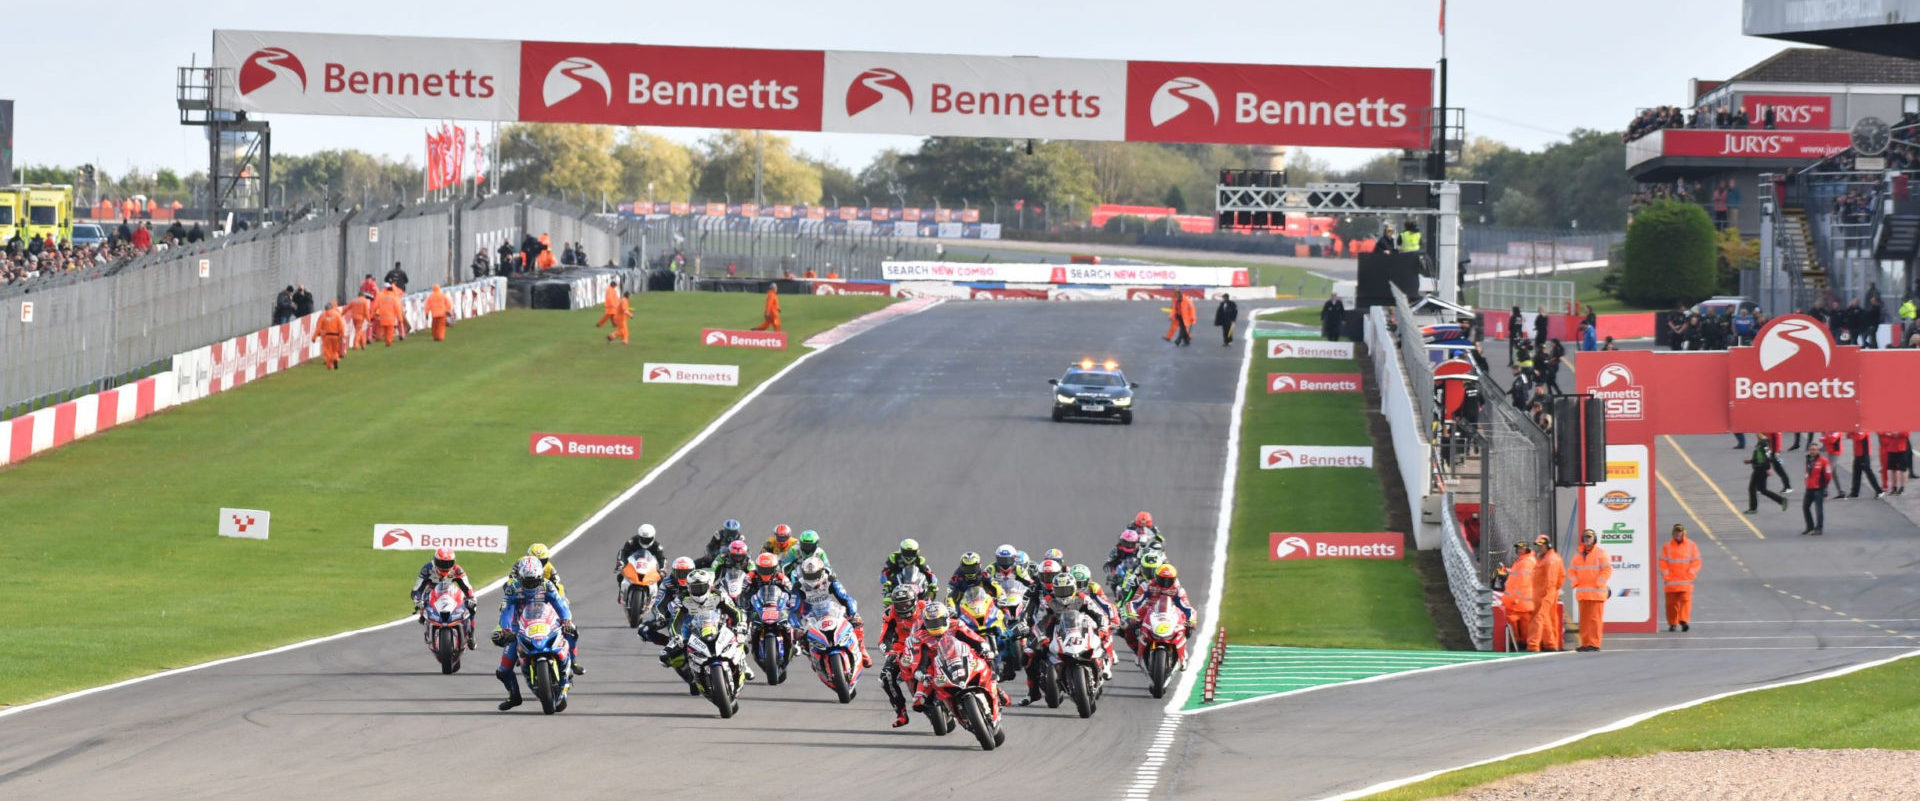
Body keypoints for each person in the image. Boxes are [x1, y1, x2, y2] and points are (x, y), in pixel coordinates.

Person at [491, 558, 575, 711]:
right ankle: (514, 696)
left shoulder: (547, 586)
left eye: (534, 581)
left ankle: (567, 677)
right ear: (520, 578)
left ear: (540, 577)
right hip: (520, 627)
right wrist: (506, 630)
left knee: (570, 635)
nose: (530, 585)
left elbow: (560, 604)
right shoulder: (512, 589)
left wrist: (567, 620)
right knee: (503, 670)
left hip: (547, 623)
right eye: (526, 581)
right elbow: (506, 612)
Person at [905, 600, 1009, 717]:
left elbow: (974, 639)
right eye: (931, 623)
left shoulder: (956, 625)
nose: (936, 625)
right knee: (919, 700)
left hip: (963, 656)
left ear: (946, 618)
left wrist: (984, 649)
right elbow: (919, 660)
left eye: (939, 621)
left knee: (984, 657)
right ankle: (936, 703)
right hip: (938, 665)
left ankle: (995, 686)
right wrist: (921, 673)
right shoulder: (921, 636)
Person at [659, 568, 753, 683]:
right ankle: (691, 674)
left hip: (717, 625)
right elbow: (676, 621)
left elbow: (735, 611)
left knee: (739, 639)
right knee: (668, 657)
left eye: (701, 587)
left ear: (708, 586)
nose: (698, 592)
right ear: (688, 588)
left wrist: (740, 624)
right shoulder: (682, 600)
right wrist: (676, 636)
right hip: (692, 628)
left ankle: (743, 663)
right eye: (695, 588)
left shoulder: (719, 595)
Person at [789, 557, 870, 667]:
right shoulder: (798, 586)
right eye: (808, 576)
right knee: (802, 638)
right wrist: (797, 627)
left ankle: (862, 649)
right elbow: (793, 610)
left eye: (813, 575)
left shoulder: (830, 579)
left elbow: (845, 598)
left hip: (830, 609)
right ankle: (813, 659)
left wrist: (852, 613)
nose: (811, 579)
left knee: (857, 621)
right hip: (811, 615)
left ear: (821, 572)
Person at [1125, 564, 1196, 664]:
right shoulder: (1147, 585)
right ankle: (1138, 650)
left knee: (1188, 628)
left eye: (1168, 580)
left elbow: (1187, 607)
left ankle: (1181, 651)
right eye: (1162, 580)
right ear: (1156, 577)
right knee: (1126, 627)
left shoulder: (1178, 589)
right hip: (1149, 611)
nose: (1165, 583)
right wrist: (1132, 615)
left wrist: (1191, 620)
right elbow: (1134, 602)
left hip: (1171, 613)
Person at [879, 585, 926, 727]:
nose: (903, 607)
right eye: (899, 604)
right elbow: (884, 638)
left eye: (906, 603)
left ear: (914, 601)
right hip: (902, 648)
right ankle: (901, 713)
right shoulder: (890, 613)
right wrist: (889, 652)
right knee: (885, 677)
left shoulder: (925, 608)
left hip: (926, 644)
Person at [411, 548, 477, 645]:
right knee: (423, 604)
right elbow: (417, 588)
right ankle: (426, 624)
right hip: (432, 591)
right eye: (441, 563)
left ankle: (471, 634)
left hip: (450, 591)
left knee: (472, 605)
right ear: (435, 560)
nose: (445, 567)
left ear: (453, 562)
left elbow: (467, 587)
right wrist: (418, 600)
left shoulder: (457, 570)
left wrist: (471, 598)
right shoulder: (427, 569)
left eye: (448, 563)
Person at [1569, 529, 1612, 652]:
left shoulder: (1600, 553)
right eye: (1586, 537)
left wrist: (1600, 583)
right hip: (1583, 593)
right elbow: (1571, 570)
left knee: (1595, 621)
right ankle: (1585, 643)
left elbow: (1607, 570)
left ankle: (1594, 644)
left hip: (1597, 593)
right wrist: (1575, 583)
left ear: (1594, 539)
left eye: (1590, 537)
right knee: (1584, 621)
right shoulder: (1578, 555)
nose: (1587, 539)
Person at [639, 556, 698, 645]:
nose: (683, 576)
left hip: (697, 612)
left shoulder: (699, 581)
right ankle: (670, 644)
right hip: (672, 612)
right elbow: (659, 602)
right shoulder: (667, 583)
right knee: (643, 630)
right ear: (673, 572)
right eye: (679, 573)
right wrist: (660, 615)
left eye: (686, 573)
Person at [1659, 524, 1702, 632]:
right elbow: (1662, 562)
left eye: (1680, 532)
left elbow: (1696, 561)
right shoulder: (1667, 546)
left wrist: (1691, 574)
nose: (1678, 534)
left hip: (1685, 581)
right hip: (1671, 582)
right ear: (1672, 533)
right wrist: (1666, 575)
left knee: (1685, 601)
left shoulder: (1691, 545)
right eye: (1676, 532)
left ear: (1683, 533)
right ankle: (1673, 623)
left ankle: (1683, 621)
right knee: (1671, 604)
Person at [1529, 535, 1566, 652]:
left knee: (1539, 618)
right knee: (1546, 619)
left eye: (1542, 545)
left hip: (1546, 594)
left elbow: (1553, 580)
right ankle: (1550, 644)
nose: (1539, 548)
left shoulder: (1551, 559)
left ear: (1548, 545)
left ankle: (1533, 645)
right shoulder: (1544, 558)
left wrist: (1550, 592)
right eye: (1538, 545)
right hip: (1541, 594)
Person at [1499, 541, 1536, 650]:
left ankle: (1521, 644)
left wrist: (1515, 598)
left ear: (1527, 549)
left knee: (1522, 624)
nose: (1519, 550)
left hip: (1519, 600)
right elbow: (1517, 575)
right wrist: (1507, 571)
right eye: (1518, 548)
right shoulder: (1522, 561)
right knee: (1521, 624)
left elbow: (1523, 582)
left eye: (1522, 548)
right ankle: (1520, 644)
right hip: (1519, 600)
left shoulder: (1526, 562)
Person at [1747, 435, 1789, 513]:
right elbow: (1760, 457)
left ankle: (1753, 508)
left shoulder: (1764, 443)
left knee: (1752, 488)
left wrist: (1767, 468)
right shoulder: (1763, 443)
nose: (1756, 434)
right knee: (1763, 490)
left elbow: (1766, 457)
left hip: (1760, 469)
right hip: (1760, 468)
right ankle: (1781, 500)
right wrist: (1751, 461)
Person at [1844, 430, 1884, 500]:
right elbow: (1848, 435)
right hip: (1857, 454)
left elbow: (1858, 438)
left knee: (1869, 473)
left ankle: (1879, 491)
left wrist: (1853, 434)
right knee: (1856, 473)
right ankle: (1855, 492)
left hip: (1864, 454)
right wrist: (1853, 434)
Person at [1803, 449, 1835, 535]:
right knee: (1805, 507)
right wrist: (1806, 482)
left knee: (1819, 509)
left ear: (1817, 451)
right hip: (1809, 488)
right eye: (1811, 450)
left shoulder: (1823, 461)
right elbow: (1807, 473)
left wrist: (1824, 486)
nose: (1812, 451)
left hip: (1819, 488)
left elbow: (1828, 475)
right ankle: (1810, 527)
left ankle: (1819, 528)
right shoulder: (1808, 460)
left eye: (1814, 450)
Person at [312, 301, 346, 370]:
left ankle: (330, 366)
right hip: (336, 336)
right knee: (335, 350)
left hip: (327, 336)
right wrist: (342, 336)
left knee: (328, 351)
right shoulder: (337, 315)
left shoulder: (323, 316)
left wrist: (314, 337)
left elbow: (318, 328)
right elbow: (341, 326)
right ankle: (336, 358)